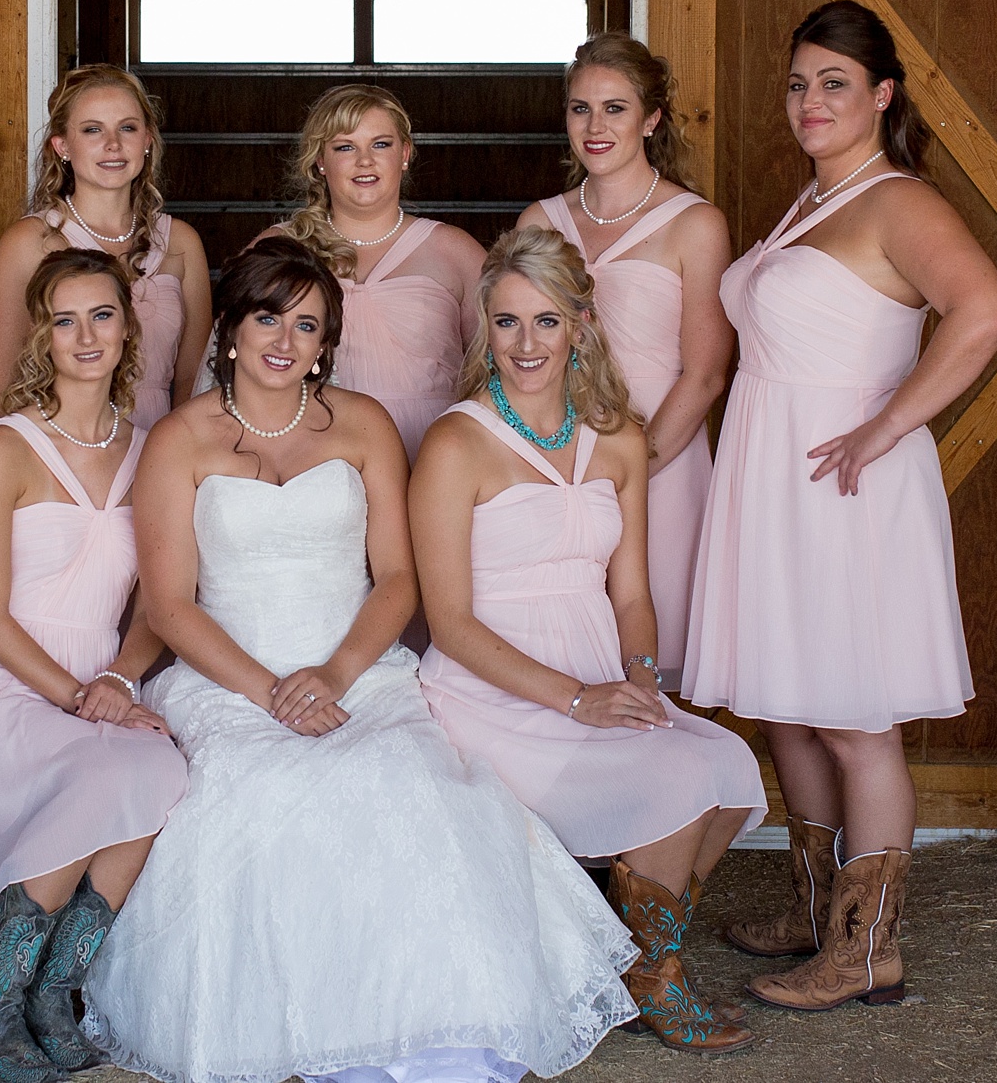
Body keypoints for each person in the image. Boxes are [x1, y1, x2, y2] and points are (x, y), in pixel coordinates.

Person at [81, 238, 638, 1083]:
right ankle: (313, 1032)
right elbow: (170, 606)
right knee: (269, 793)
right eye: (268, 316)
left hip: (356, 671)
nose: (285, 339)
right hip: (229, 679)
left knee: (416, 789)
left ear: (325, 343)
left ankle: (440, 1024)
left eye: (307, 325)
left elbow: (400, 579)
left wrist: (336, 674)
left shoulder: (364, 424)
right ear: (231, 328)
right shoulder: (178, 439)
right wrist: (272, 691)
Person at [683, 0, 997, 1012]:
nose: (808, 101)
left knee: (852, 717)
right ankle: (818, 911)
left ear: (880, 96)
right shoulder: (810, 200)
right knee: (788, 704)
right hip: (771, 472)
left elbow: (986, 310)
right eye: (796, 83)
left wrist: (886, 424)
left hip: (844, 482)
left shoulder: (894, 201)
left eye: (832, 82)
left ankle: (869, 947)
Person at [413, 227, 767, 1056]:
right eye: (506, 323)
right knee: (675, 774)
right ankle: (654, 976)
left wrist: (640, 678)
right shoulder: (455, 443)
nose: (526, 344)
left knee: (728, 768)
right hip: (491, 691)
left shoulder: (618, 437)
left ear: (580, 323)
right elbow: (452, 623)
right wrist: (578, 699)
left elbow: (633, 592)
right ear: (485, 330)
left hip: (599, 669)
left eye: (545, 320)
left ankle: (622, 953)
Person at [0, 249, 190, 1080]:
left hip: (98, 677)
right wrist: (78, 695)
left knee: (160, 770)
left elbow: (160, 603)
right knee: (97, 771)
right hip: (7, 676)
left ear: (128, 327)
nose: (86, 335)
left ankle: (54, 988)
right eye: (66, 318)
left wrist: (118, 679)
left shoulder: (152, 449)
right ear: (43, 333)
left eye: (103, 315)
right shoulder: (6, 446)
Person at [519, 36, 731, 689]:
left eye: (615, 108)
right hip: (557, 464)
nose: (595, 126)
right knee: (566, 662)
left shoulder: (694, 224)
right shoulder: (540, 220)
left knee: (654, 672)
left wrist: (631, 469)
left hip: (661, 467)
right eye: (580, 109)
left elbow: (705, 373)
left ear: (652, 118)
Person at [0, 64, 211, 431]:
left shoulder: (181, 242)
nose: (113, 145)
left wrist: (174, 455)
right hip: (65, 449)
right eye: (92, 130)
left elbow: (193, 380)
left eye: (127, 127)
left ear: (148, 140)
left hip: (161, 445)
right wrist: (72, 453)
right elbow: (0, 385)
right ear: (62, 146)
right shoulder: (30, 242)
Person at [271, 84, 485, 463]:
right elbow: (234, 363)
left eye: (381, 145)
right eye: (345, 147)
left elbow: (496, 369)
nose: (365, 161)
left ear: (405, 153)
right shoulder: (278, 248)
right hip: (315, 456)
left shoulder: (456, 252)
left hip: (435, 456)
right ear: (321, 160)